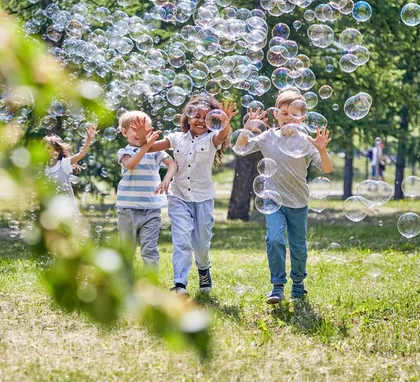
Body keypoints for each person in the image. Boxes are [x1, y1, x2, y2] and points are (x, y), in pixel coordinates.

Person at [136, 94, 238, 297]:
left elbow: (221, 136)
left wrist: (225, 121)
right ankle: (180, 284)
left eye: (206, 117)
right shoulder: (175, 138)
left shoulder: (211, 139)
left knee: (201, 244)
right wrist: (142, 137)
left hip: (203, 198)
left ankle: (203, 268)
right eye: (196, 116)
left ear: (213, 121)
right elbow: (150, 148)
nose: (200, 120)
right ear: (187, 117)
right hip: (178, 196)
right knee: (181, 240)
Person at [242, 89, 333, 304]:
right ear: (275, 114)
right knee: (274, 239)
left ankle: (299, 284)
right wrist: (246, 130)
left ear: (302, 117)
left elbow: (327, 169)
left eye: (293, 114)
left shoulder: (306, 141)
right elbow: (241, 148)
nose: (288, 117)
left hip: (298, 202)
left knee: (298, 246)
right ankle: (277, 286)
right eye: (283, 113)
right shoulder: (267, 137)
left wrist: (321, 150)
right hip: (273, 200)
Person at [116, 111, 177, 272]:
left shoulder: (156, 152)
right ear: (124, 132)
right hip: (127, 209)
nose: (140, 133)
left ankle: (151, 286)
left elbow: (172, 164)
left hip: (152, 209)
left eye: (144, 129)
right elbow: (131, 165)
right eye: (135, 129)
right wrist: (146, 146)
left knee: (149, 250)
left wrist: (167, 179)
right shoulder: (125, 152)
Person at [43, 124, 98, 218]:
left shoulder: (63, 164)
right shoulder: (44, 168)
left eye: (48, 147)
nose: (44, 150)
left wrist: (88, 140)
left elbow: (81, 154)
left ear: (58, 151)